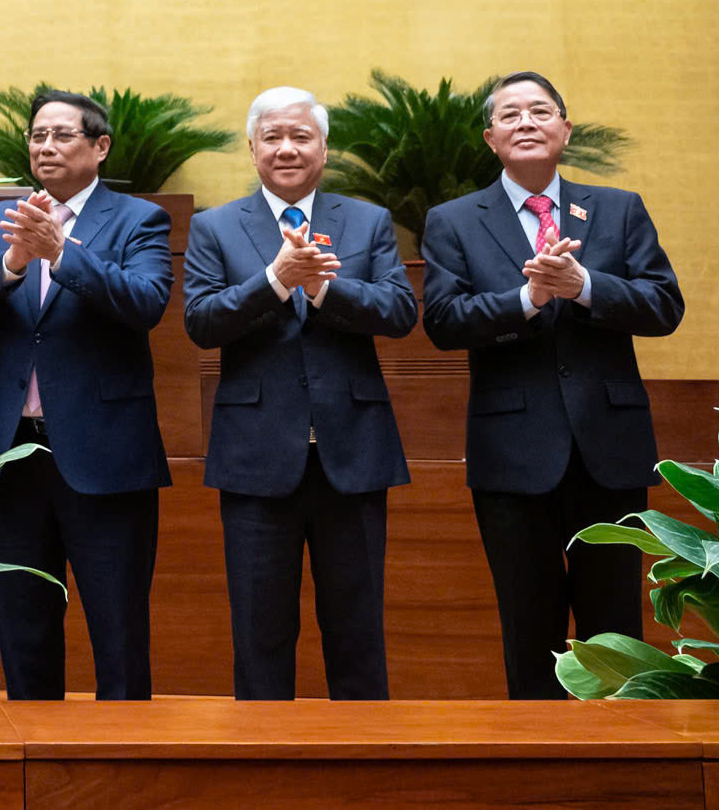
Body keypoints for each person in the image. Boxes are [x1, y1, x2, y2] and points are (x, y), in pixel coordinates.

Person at [420, 71, 685, 699]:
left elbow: (664, 306)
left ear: (565, 130)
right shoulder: (453, 220)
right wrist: (528, 299)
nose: (526, 123)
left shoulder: (620, 208)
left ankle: (620, 751)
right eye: (510, 115)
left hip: (609, 448)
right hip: (511, 454)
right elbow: (443, 322)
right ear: (491, 139)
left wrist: (584, 286)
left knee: (615, 630)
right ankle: (536, 751)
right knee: (529, 626)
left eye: (540, 111)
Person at [182, 86, 417, 700]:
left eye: (301, 136)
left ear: (324, 148)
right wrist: (274, 280)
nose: (286, 148)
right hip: (255, 456)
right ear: (252, 147)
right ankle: (262, 753)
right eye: (273, 137)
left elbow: (399, 312)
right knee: (260, 631)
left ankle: (365, 752)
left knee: (357, 629)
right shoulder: (214, 227)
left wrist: (323, 290)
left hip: (353, 453)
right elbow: (201, 322)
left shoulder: (366, 221)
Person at [0, 88, 172, 700]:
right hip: (15, 452)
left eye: (62, 135)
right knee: (25, 623)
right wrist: (14, 261)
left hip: (105, 456)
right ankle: (33, 743)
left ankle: (124, 746)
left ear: (100, 146)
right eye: (37, 135)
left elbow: (146, 303)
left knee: (117, 626)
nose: (45, 146)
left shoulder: (139, 219)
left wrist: (61, 252)